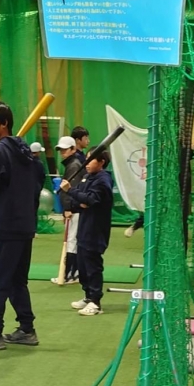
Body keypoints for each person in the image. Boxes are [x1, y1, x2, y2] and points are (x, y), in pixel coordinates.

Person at [0, 100, 45, 350]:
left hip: (5, 227)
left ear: (3, 123)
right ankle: (27, 329)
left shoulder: (0, 152)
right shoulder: (26, 153)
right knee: (17, 280)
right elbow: (39, 181)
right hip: (25, 227)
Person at [60, 149, 113, 316]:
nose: (87, 163)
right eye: (87, 159)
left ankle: (96, 302)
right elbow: (80, 201)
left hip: (96, 230)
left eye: (91, 160)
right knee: (82, 265)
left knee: (92, 266)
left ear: (101, 162)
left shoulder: (103, 180)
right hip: (84, 227)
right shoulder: (87, 177)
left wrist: (71, 191)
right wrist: (78, 201)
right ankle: (88, 296)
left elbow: (90, 200)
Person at [52, 135, 83, 285]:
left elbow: (70, 189)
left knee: (72, 241)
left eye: (65, 149)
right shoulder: (72, 164)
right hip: (74, 209)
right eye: (61, 150)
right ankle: (72, 273)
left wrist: (68, 208)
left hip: (74, 210)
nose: (62, 152)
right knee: (73, 240)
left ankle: (71, 274)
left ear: (73, 149)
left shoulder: (74, 165)